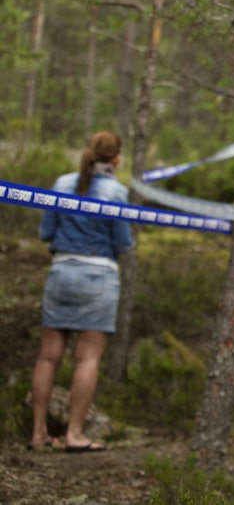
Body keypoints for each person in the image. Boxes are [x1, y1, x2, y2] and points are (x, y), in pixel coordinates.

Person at [29, 131, 133, 453]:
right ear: (116, 159)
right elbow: (123, 243)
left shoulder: (62, 184)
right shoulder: (116, 192)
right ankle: (74, 434)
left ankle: (38, 433)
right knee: (87, 357)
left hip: (61, 273)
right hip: (99, 277)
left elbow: (46, 232)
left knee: (48, 356)